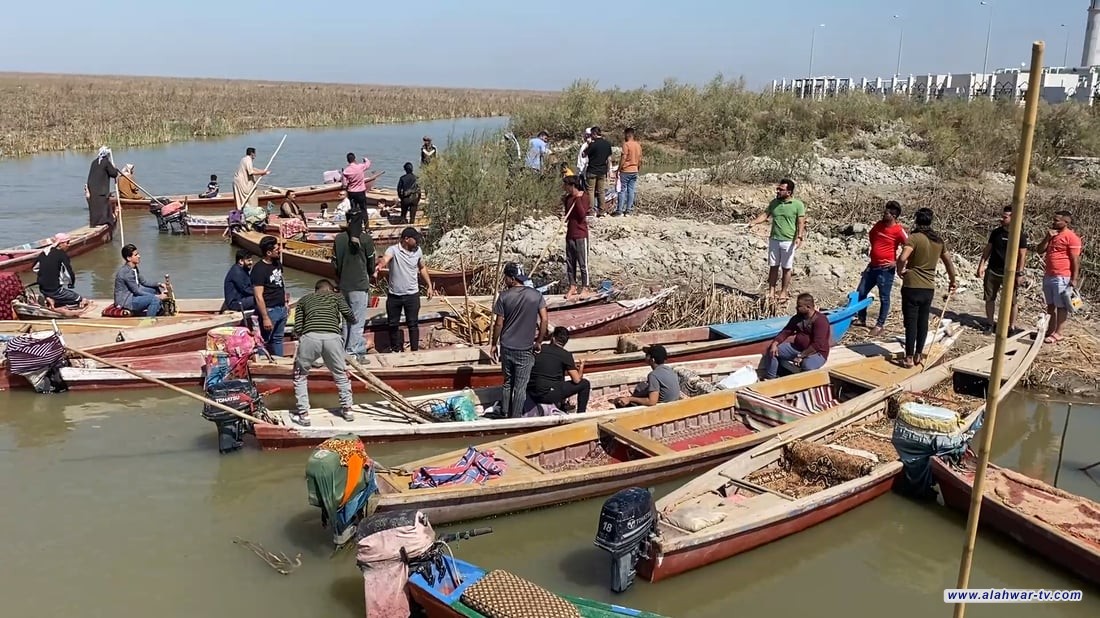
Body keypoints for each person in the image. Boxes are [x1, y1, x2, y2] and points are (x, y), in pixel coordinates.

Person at [290, 279, 357, 427]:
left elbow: (298, 327)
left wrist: (301, 339)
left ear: (316, 290)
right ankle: (348, 410)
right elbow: (349, 315)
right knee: (340, 374)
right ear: (331, 289)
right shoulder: (337, 297)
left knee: (300, 376)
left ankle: (304, 415)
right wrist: (350, 321)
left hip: (310, 337)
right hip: (333, 338)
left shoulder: (304, 300)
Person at [896, 208, 958, 368]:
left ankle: (908, 357)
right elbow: (949, 263)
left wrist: (900, 270)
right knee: (923, 321)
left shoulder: (914, 238)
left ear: (917, 220)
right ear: (930, 221)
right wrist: (952, 280)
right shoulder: (938, 241)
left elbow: (903, 257)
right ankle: (918, 355)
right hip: (928, 287)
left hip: (911, 285)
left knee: (911, 322)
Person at [490, 262, 549, 418]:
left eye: (506, 278)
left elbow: (498, 324)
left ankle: (504, 413)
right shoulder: (536, 295)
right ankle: (516, 417)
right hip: (525, 348)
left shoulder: (504, 297)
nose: (505, 280)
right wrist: (539, 341)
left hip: (507, 346)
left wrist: (493, 344)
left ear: (511, 278)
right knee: (521, 386)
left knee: (508, 382)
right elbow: (544, 320)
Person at [374, 227, 434, 353]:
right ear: (406, 239)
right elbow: (385, 259)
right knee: (393, 324)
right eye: (415, 239)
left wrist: (429, 285)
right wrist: (380, 265)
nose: (417, 242)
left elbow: (422, 268)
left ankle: (414, 351)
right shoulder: (393, 250)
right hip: (394, 295)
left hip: (412, 294)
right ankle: (395, 349)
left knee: (413, 324)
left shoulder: (418, 251)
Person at [856, 200, 908, 336]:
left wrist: (896, 262)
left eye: (887, 212)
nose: (884, 214)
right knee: (861, 291)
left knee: (884, 297)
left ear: (894, 215)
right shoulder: (878, 225)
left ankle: (880, 324)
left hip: (885, 269)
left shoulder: (898, 230)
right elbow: (872, 236)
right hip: (872, 266)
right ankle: (861, 318)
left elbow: (909, 247)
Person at [749, 178, 806, 300]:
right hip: (774, 239)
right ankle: (771, 291)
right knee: (773, 266)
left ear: (789, 192)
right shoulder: (774, 203)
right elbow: (765, 215)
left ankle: (784, 292)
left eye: (781, 189)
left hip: (788, 241)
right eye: (778, 189)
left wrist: (800, 237)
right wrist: (754, 222)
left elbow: (801, 222)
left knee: (786, 268)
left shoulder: (798, 205)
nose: (778, 191)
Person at [976, 205, 1029, 334]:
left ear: (1013, 218)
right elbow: (988, 249)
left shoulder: (1019, 235)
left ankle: (1011, 327)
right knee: (989, 298)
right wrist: (981, 265)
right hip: (993, 270)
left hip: (1010, 274)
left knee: (1012, 301)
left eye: (1005, 217)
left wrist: (1020, 273)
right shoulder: (996, 233)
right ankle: (989, 324)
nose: (1001, 219)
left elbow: (1022, 255)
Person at [1035, 210, 1082, 344]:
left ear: (1066, 222)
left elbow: (1075, 260)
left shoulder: (1071, 237)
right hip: (1049, 274)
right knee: (1050, 304)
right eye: (1054, 219)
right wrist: (1047, 237)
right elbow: (1039, 250)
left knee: (1061, 305)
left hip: (1062, 276)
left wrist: (1074, 278)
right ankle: (1049, 330)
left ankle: (1058, 333)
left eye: (1057, 220)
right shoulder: (1053, 235)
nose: (1053, 222)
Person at [761, 293, 832, 380]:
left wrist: (801, 356)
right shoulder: (798, 318)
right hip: (797, 348)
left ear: (808, 307)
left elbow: (818, 344)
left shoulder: (820, 321)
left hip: (817, 353)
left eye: (799, 306)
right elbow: (786, 331)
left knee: (807, 366)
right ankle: (771, 377)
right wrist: (775, 343)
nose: (796, 308)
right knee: (772, 350)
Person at [334, 222, 376, 358]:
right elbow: (371, 264)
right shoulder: (366, 239)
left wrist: (339, 279)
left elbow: (334, 264)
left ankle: (345, 349)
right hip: (359, 284)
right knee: (357, 321)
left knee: (346, 320)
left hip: (344, 285)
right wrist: (369, 274)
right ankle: (353, 352)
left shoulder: (338, 239)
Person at [528, 326, 590, 414]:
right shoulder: (566, 355)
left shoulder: (540, 348)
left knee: (558, 376)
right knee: (585, 384)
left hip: (531, 391)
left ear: (553, 338)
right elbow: (577, 380)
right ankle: (581, 414)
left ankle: (561, 405)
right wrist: (581, 367)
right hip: (547, 395)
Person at [251, 235, 289, 356]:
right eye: (276, 249)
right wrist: (265, 317)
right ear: (268, 252)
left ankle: (280, 362)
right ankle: (263, 365)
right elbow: (258, 296)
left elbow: (281, 283)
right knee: (264, 341)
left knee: (278, 339)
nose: (279, 250)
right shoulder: (259, 269)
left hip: (281, 308)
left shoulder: (277, 262)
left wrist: (286, 303)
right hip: (270, 309)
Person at [33, 233, 89, 310]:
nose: (68, 245)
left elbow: (35, 268)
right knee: (78, 299)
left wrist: (44, 274)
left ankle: (49, 298)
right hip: (55, 289)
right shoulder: (62, 255)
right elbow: (68, 272)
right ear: (60, 244)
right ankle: (54, 299)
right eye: (67, 242)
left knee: (55, 293)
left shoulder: (44, 252)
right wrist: (71, 283)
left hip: (42, 288)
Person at [612, 344, 680, 407]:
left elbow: (651, 402)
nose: (645, 356)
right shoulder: (670, 370)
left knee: (620, 402)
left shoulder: (653, 375)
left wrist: (630, 399)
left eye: (647, 355)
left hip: (662, 408)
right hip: (673, 404)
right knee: (642, 386)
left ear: (652, 360)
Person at [113, 244, 168, 317]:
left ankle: (158, 311)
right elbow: (137, 291)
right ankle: (149, 321)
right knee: (154, 299)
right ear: (129, 258)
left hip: (132, 295)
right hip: (126, 301)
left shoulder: (134, 268)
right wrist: (158, 296)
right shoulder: (126, 272)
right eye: (136, 255)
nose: (139, 256)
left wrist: (160, 284)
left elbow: (143, 282)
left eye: (138, 254)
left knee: (154, 289)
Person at [562, 176, 590, 298]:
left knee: (583, 263)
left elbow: (581, 215)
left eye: (566, 185)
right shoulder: (567, 199)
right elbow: (568, 216)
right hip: (570, 234)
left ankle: (586, 287)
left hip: (581, 234)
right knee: (570, 262)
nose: (564, 188)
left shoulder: (584, 197)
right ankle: (572, 286)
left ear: (572, 186)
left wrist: (578, 200)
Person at [342, 152, 373, 245]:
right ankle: (367, 228)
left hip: (352, 192)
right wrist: (365, 159)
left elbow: (344, 184)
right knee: (363, 209)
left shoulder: (346, 171)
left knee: (353, 210)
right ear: (355, 159)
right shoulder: (360, 167)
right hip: (361, 192)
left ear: (347, 160)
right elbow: (368, 164)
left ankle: (354, 227)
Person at [582, 127, 613, 216]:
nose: (591, 137)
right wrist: (609, 170)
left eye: (591, 135)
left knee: (590, 190)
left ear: (595, 134)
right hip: (602, 171)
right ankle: (602, 210)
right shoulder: (607, 144)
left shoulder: (593, 144)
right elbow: (608, 158)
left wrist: (588, 144)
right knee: (601, 191)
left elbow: (584, 154)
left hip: (592, 170)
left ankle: (591, 210)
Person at [86, 146, 120, 228]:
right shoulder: (106, 162)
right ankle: (103, 222)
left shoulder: (94, 162)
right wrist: (114, 168)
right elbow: (114, 174)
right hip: (101, 189)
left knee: (95, 204)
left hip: (92, 187)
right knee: (103, 205)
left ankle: (94, 223)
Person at [614, 127, 642, 216]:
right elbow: (640, 159)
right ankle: (628, 210)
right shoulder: (638, 145)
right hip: (634, 170)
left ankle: (619, 210)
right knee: (631, 190)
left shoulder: (626, 145)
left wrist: (619, 169)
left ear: (627, 135)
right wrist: (638, 168)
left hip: (626, 170)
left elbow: (624, 157)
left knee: (622, 190)